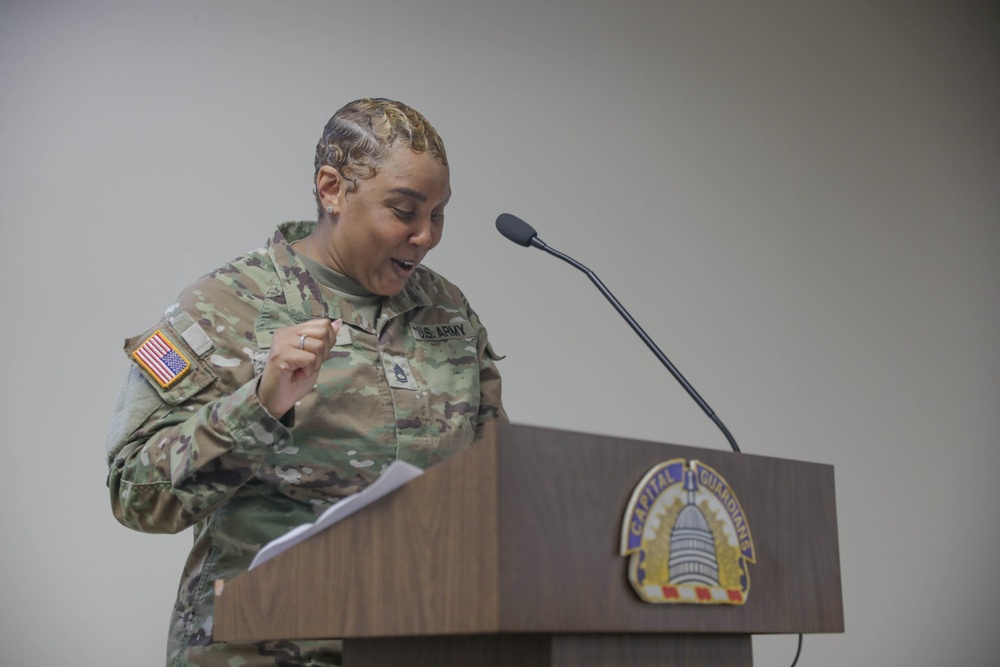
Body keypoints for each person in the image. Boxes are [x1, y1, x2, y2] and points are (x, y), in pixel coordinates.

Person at [105, 98, 507, 667]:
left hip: (414, 641)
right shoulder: (225, 305)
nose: (426, 236)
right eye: (405, 210)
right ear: (332, 190)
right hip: (259, 647)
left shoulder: (446, 310)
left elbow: (494, 479)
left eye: (438, 214)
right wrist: (260, 405)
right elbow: (135, 496)